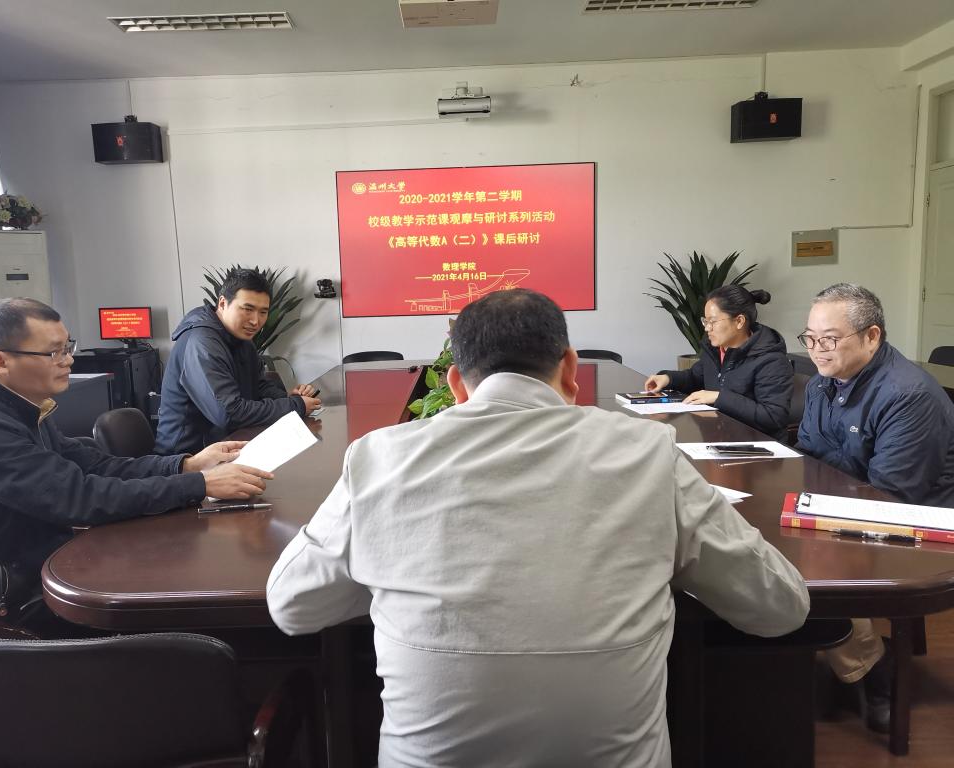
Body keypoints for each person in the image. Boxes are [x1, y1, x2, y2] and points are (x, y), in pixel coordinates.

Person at [266, 288, 810, 768]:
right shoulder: (647, 453)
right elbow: (780, 606)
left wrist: (390, 576)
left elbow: (292, 606)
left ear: (456, 384)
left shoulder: (377, 458)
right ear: (571, 369)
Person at [0, 298, 272, 626]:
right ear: (0, 362)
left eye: (68, 347)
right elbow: (77, 497)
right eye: (54, 352)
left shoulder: (18, 403)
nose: (69, 360)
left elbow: (94, 465)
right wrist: (200, 485)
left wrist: (186, 466)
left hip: (31, 567)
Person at [797, 282, 954, 734]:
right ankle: (855, 659)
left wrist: (824, 482)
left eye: (829, 339)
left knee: (805, 557)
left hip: (919, 520)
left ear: (872, 336)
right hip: (855, 500)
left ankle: (871, 667)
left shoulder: (909, 395)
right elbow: (807, 452)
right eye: (809, 338)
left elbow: (889, 494)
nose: (816, 350)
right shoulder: (822, 383)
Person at [154, 267, 321, 455]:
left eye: (263, 312)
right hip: (188, 458)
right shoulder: (202, 343)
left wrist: (289, 398)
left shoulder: (241, 339)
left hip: (229, 445)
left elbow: (259, 386)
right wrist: (296, 406)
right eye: (247, 309)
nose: (255, 321)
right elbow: (228, 414)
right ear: (222, 303)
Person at [644, 285, 793, 440]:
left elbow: (773, 417)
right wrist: (668, 378)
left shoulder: (771, 360)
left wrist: (719, 398)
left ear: (739, 321)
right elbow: (695, 377)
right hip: (719, 438)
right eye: (705, 321)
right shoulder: (715, 350)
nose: (707, 328)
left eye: (713, 321)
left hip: (757, 446)